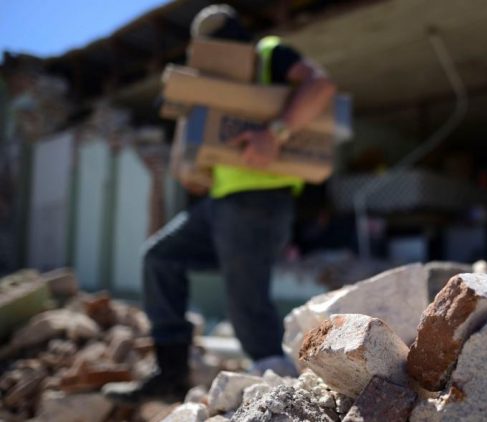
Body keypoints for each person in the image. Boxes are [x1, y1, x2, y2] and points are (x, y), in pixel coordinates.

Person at [104, 4, 336, 403]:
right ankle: (172, 372)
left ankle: (280, 389)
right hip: (221, 201)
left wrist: (276, 132)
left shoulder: (269, 53)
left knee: (244, 296)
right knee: (160, 257)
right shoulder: (211, 81)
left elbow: (320, 86)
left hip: (262, 198)